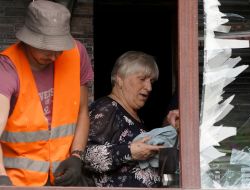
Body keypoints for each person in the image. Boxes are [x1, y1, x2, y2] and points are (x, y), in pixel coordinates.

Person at [0, 0, 93, 186]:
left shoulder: (76, 54)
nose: (54, 56)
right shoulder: (7, 67)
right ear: (28, 40)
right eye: (47, 48)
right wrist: (1, 178)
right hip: (18, 181)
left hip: (62, 177)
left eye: (59, 48)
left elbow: (82, 110)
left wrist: (77, 155)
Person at [82, 51, 163, 187]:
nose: (149, 87)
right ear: (120, 79)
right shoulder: (107, 108)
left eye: (151, 81)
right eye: (142, 79)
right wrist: (130, 151)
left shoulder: (131, 113)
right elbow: (88, 156)